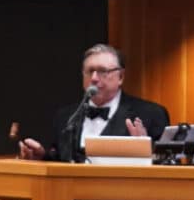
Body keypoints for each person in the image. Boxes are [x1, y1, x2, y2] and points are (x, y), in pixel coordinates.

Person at [18, 43, 169, 163]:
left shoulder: (151, 114)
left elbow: (167, 165)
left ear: (121, 77)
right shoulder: (65, 116)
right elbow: (60, 162)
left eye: (103, 71)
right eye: (90, 71)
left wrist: (145, 151)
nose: (95, 78)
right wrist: (41, 157)